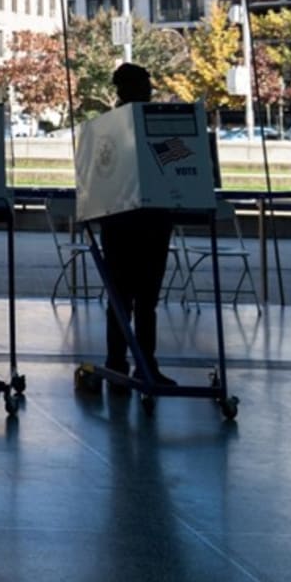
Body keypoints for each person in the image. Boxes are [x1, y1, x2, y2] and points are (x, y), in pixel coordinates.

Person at [97, 63, 174, 386]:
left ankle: (126, 363)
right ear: (125, 90)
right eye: (143, 85)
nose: (149, 90)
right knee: (134, 300)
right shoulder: (116, 128)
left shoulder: (105, 128)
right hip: (136, 222)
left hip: (131, 222)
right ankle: (135, 363)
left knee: (134, 301)